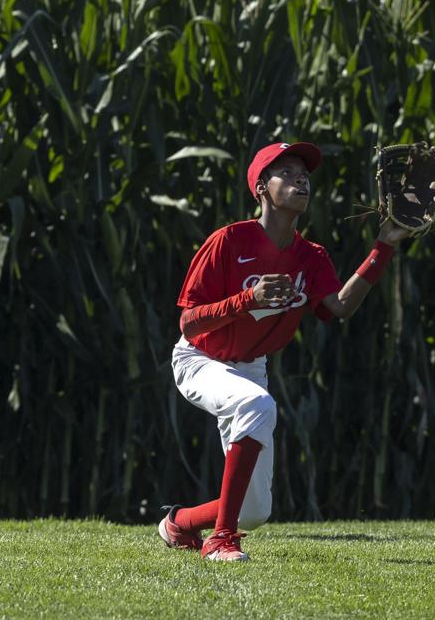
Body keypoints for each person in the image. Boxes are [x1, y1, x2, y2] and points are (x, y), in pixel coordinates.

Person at [158, 141, 406, 561]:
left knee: (255, 512)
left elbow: (339, 307)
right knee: (260, 404)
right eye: (286, 172)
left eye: (304, 173)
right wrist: (246, 300)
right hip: (199, 358)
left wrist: (385, 243)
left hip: (251, 367)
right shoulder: (228, 240)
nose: (300, 178)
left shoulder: (310, 256)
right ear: (261, 188)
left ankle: (178, 524)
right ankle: (220, 541)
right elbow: (189, 322)